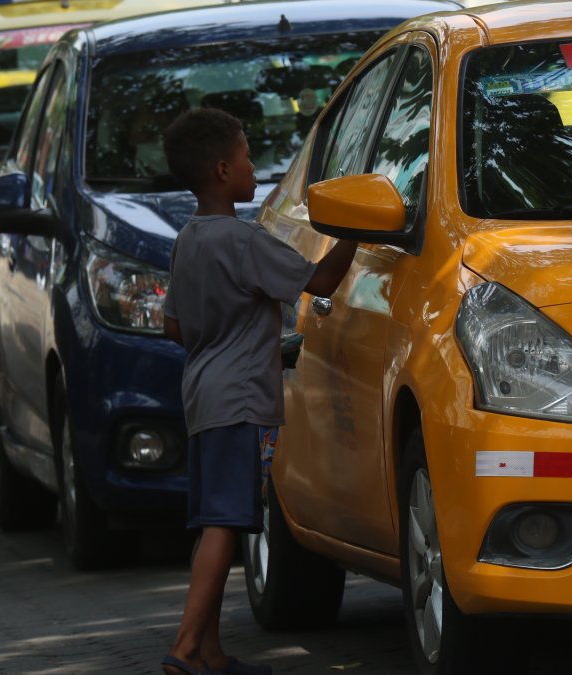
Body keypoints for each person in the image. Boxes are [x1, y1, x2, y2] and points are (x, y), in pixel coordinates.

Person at [158, 107, 357, 675]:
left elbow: (174, 325)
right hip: (241, 400)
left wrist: (228, 333)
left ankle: (212, 651)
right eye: (246, 157)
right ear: (223, 169)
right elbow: (319, 280)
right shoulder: (243, 241)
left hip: (202, 394)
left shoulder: (189, 240)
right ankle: (185, 649)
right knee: (226, 524)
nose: (253, 169)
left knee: (211, 524)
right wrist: (354, 233)